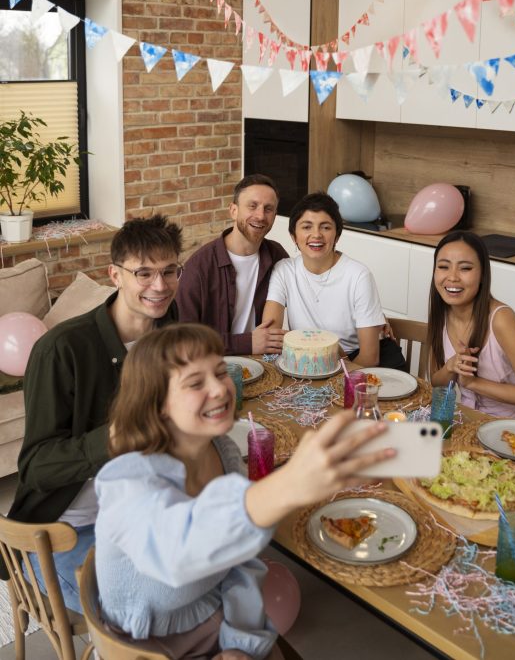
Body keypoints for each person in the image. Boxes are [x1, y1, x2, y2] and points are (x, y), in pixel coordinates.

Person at [95, 323, 392, 659]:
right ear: (157, 402)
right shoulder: (125, 479)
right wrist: (287, 484)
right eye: (195, 383)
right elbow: (177, 555)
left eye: (221, 372)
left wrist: (241, 640)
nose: (220, 390)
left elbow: (240, 563)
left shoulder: (223, 450)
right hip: (146, 647)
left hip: (217, 623)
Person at [5, 215, 182, 612]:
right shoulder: (62, 350)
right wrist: (114, 439)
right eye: (144, 273)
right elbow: (37, 467)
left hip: (143, 512)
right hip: (69, 529)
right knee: (154, 609)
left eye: (170, 271)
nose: (160, 285)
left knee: (217, 576)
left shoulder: (171, 331)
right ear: (115, 275)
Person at [263, 192, 404, 369]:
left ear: (337, 236)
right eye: (307, 227)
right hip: (313, 364)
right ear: (293, 236)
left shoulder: (358, 275)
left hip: (359, 364)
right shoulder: (284, 270)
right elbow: (271, 336)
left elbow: (370, 358)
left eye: (325, 227)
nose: (316, 235)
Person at [428, 230, 515, 421]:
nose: (452, 277)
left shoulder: (501, 319)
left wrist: (473, 383)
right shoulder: (443, 311)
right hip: (470, 423)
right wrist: (450, 367)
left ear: (483, 274)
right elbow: (436, 382)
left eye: (465, 268)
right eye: (443, 267)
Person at [177, 174, 288, 356]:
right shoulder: (199, 267)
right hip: (214, 367)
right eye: (252, 206)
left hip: (265, 363)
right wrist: (246, 343)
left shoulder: (277, 256)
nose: (260, 215)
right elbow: (182, 340)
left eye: (268, 209)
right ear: (233, 210)